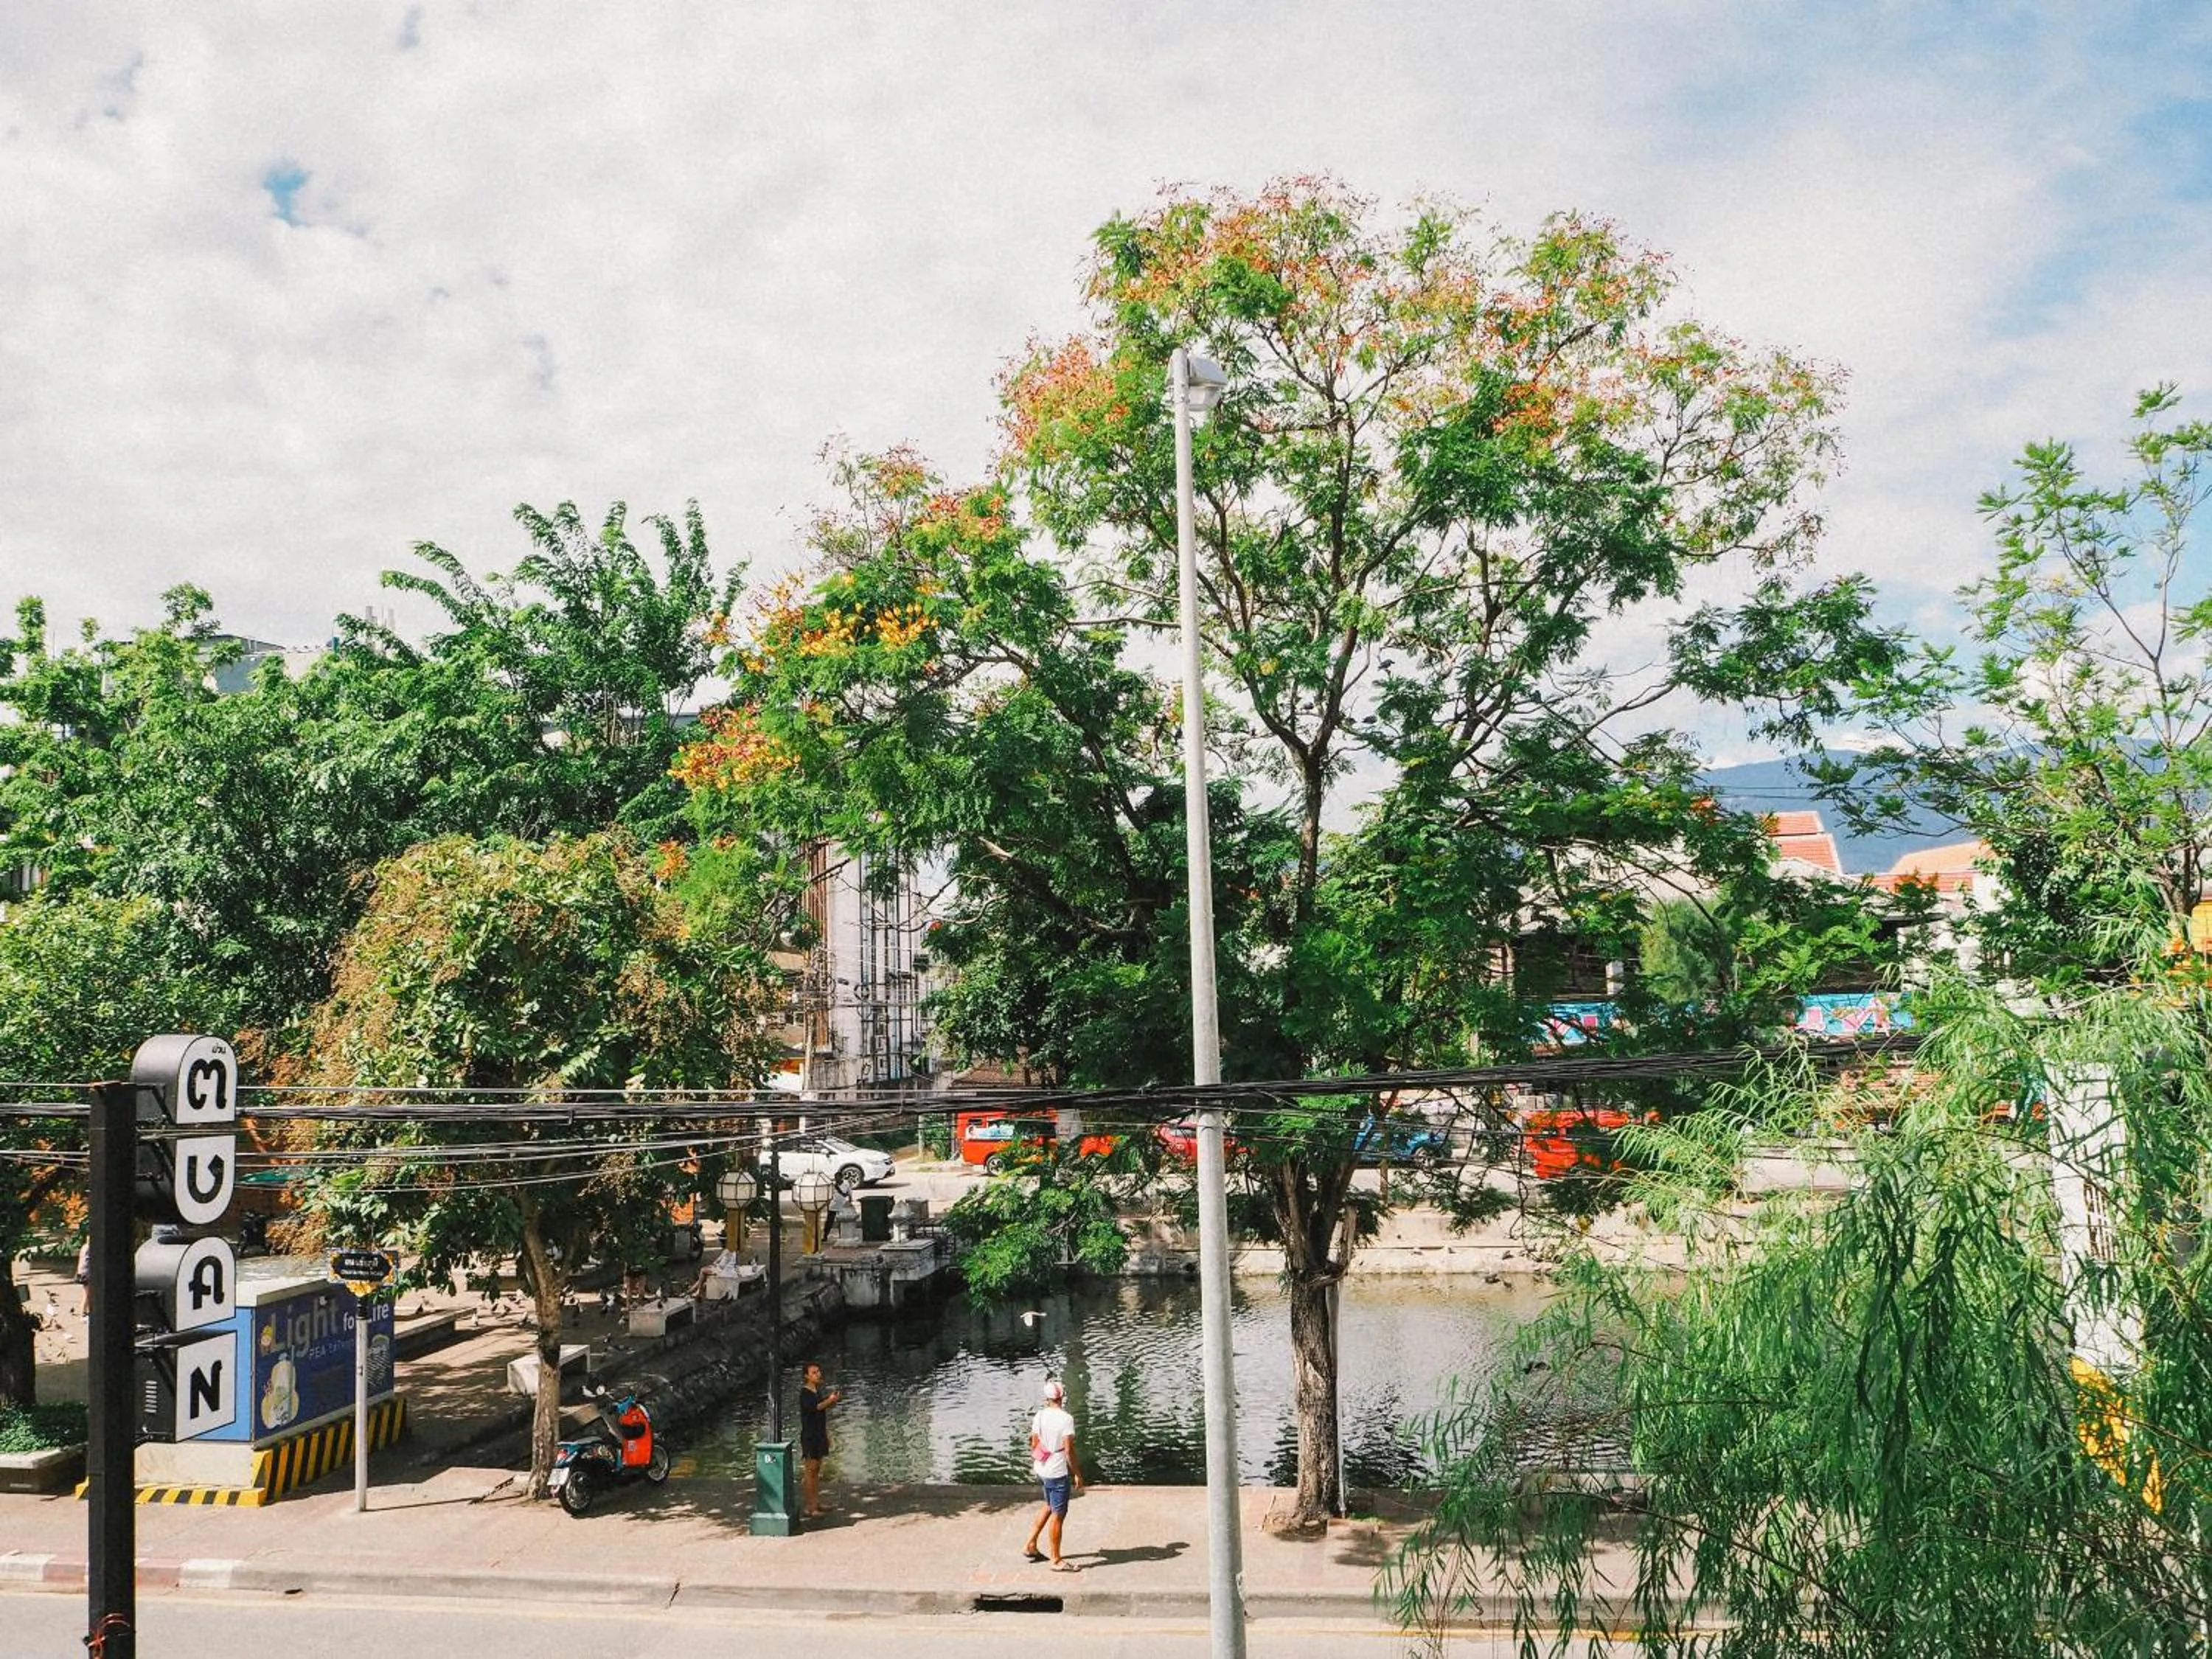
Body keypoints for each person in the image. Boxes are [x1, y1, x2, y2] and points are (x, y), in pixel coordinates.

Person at [1021, 1377, 1085, 1571]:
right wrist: (1077, 1474)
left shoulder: (1039, 1416)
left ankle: (1030, 1545)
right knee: (1058, 1514)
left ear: (1046, 1398)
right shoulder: (1066, 1419)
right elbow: (1069, 1450)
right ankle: (1056, 1560)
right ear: (1062, 1396)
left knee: (1049, 1505)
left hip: (1041, 1467)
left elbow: (1033, 1443)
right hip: (1057, 1471)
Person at [798, 1360, 841, 1518]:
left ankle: (816, 1503)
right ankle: (810, 1507)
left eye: (818, 1371)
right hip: (810, 1437)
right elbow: (815, 1408)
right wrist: (830, 1401)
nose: (818, 1374)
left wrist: (826, 1434)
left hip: (819, 1434)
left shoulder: (816, 1391)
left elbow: (820, 1415)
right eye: (814, 1373)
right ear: (807, 1376)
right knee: (810, 1471)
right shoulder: (805, 1393)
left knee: (817, 1470)